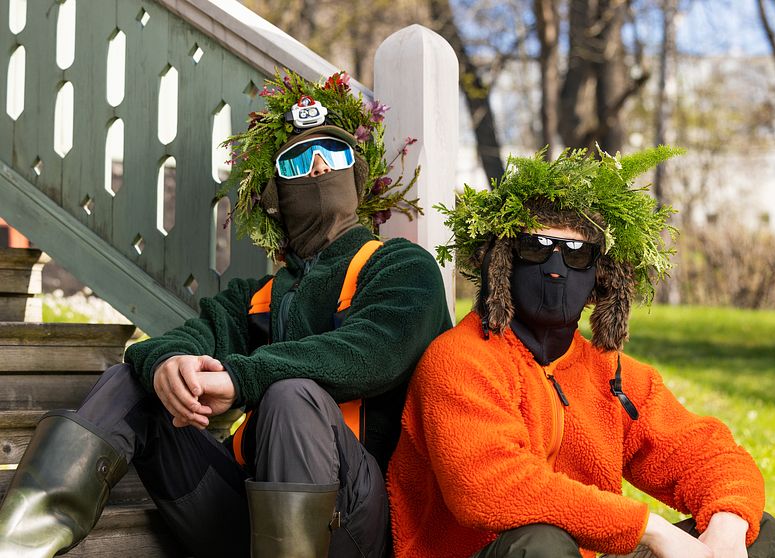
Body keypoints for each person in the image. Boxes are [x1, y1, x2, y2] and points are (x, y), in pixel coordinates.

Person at [0, 71, 451, 558]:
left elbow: (369, 353)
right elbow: (173, 342)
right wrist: (166, 367)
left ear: (357, 180)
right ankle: (18, 546)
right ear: (276, 197)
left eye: (334, 154)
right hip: (250, 517)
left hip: (355, 520)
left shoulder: (402, 267)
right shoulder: (253, 297)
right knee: (133, 378)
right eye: (300, 159)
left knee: (291, 395)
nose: (321, 167)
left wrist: (241, 377)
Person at [388, 148, 775, 558]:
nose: (556, 267)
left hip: (583, 551)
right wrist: (649, 528)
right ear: (503, 262)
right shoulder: (460, 360)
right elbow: (490, 488)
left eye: (577, 253)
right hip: (497, 552)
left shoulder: (610, 373)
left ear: (602, 276)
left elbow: (707, 452)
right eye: (537, 247)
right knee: (542, 542)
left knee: (755, 531)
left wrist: (726, 524)